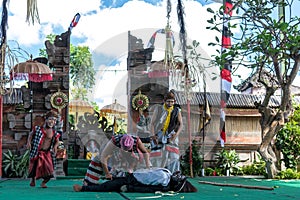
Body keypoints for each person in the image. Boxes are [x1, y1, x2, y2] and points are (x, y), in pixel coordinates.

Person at [83, 134, 152, 186]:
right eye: (124, 149)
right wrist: (107, 174)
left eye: (127, 150)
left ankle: (127, 179)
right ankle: (89, 182)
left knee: (139, 171)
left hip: (131, 162)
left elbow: (145, 153)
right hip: (116, 160)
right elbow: (103, 156)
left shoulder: (136, 141)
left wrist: (147, 167)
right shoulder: (115, 141)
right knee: (97, 159)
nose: (126, 151)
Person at [73, 167, 197, 193]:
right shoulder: (167, 173)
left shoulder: (164, 182)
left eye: (179, 178)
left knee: (108, 186)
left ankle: (84, 188)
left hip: (133, 181)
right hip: (133, 176)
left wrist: (129, 187)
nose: (178, 176)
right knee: (110, 183)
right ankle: (86, 186)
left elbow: (146, 187)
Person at [150, 91, 183, 173]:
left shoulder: (176, 110)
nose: (170, 103)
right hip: (159, 134)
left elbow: (181, 124)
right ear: (164, 101)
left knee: (174, 156)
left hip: (171, 134)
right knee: (158, 156)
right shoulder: (158, 109)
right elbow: (152, 124)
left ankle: (173, 174)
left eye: (172, 101)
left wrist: (176, 135)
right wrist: (153, 135)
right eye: (168, 101)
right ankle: (158, 173)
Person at [26, 110, 61, 188]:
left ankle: (44, 182)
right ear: (46, 119)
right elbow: (30, 135)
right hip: (37, 151)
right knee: (34, 167)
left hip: (46, 153)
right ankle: (33, 180)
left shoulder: (54, 132)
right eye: (51, 119)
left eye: (54, 120)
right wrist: (28, 142)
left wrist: (55, 146)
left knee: (49, 170)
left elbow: (57, 141)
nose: (52, 121)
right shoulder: (38, 129)